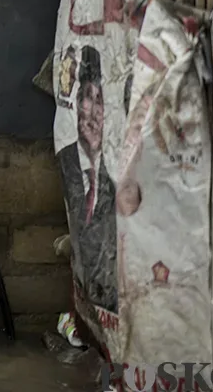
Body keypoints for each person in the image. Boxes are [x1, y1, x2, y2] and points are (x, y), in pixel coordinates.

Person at [57, 45, 117, 312]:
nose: (90, 110)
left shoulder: (115, 172)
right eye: (85, 97)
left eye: (98, 100)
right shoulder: (67, 162)